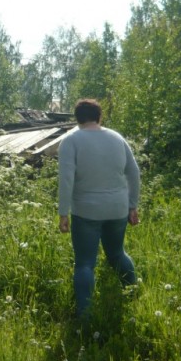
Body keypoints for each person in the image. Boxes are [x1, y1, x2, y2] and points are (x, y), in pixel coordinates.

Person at [57, 98, 140, 320]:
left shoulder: (70, 140)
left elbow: (66, 179)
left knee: (85, 263)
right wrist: (133, 205)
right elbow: (134, 172)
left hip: (86, 211)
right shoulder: (117, 138)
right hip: (118, 209)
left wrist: (63, 212)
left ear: (77, 118)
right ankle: (133, 294)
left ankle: (85, 315)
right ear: (99, 116)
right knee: (117, 253)